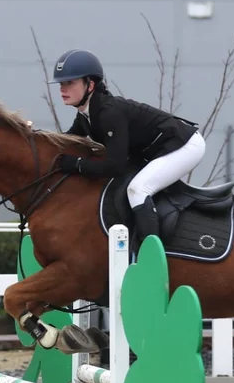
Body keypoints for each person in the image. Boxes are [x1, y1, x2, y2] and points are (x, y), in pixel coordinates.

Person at [48, 48, 206, 244]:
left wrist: (78, 165)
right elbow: (66, 141)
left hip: (185, 145)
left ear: (90, 84)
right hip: (158, 149)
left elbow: (115, 166)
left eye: (70, 83)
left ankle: (151, 256)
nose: (62, 89)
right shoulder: (86, 114)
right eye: (61, 83)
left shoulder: (108, 113)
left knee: (138, 190)